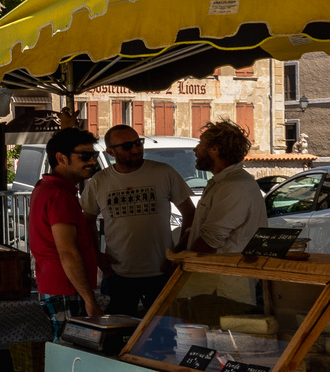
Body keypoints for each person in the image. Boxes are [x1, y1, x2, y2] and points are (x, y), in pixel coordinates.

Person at [82, 125, 197, 317]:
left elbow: (190, 213)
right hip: (118, 273)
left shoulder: (163, 172)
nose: (135, 149)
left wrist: (179, 251)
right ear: (110, 152)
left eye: (138, 143)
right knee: (118, 331)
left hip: (161, 270)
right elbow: (87, 221)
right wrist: (97, 254)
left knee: (164, 331)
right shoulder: (99, 181)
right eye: (127, 146)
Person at [29, 128, 103, 330]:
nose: (92, 162)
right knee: (73, 350)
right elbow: (67, 252)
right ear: (61, 158)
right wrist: (89, 299)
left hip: (59, 285)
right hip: (66, 287)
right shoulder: (59, 195)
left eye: (93, 155)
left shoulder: (46, 187)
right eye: (85, 156)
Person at [188, 119, 267, 255]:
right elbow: (198, 229)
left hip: (224, 274)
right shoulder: (220, 182)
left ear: (214, 149)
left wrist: (182, 263)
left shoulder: (235, 186)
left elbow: (210, 241)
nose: (195, 149)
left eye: (200, 144)